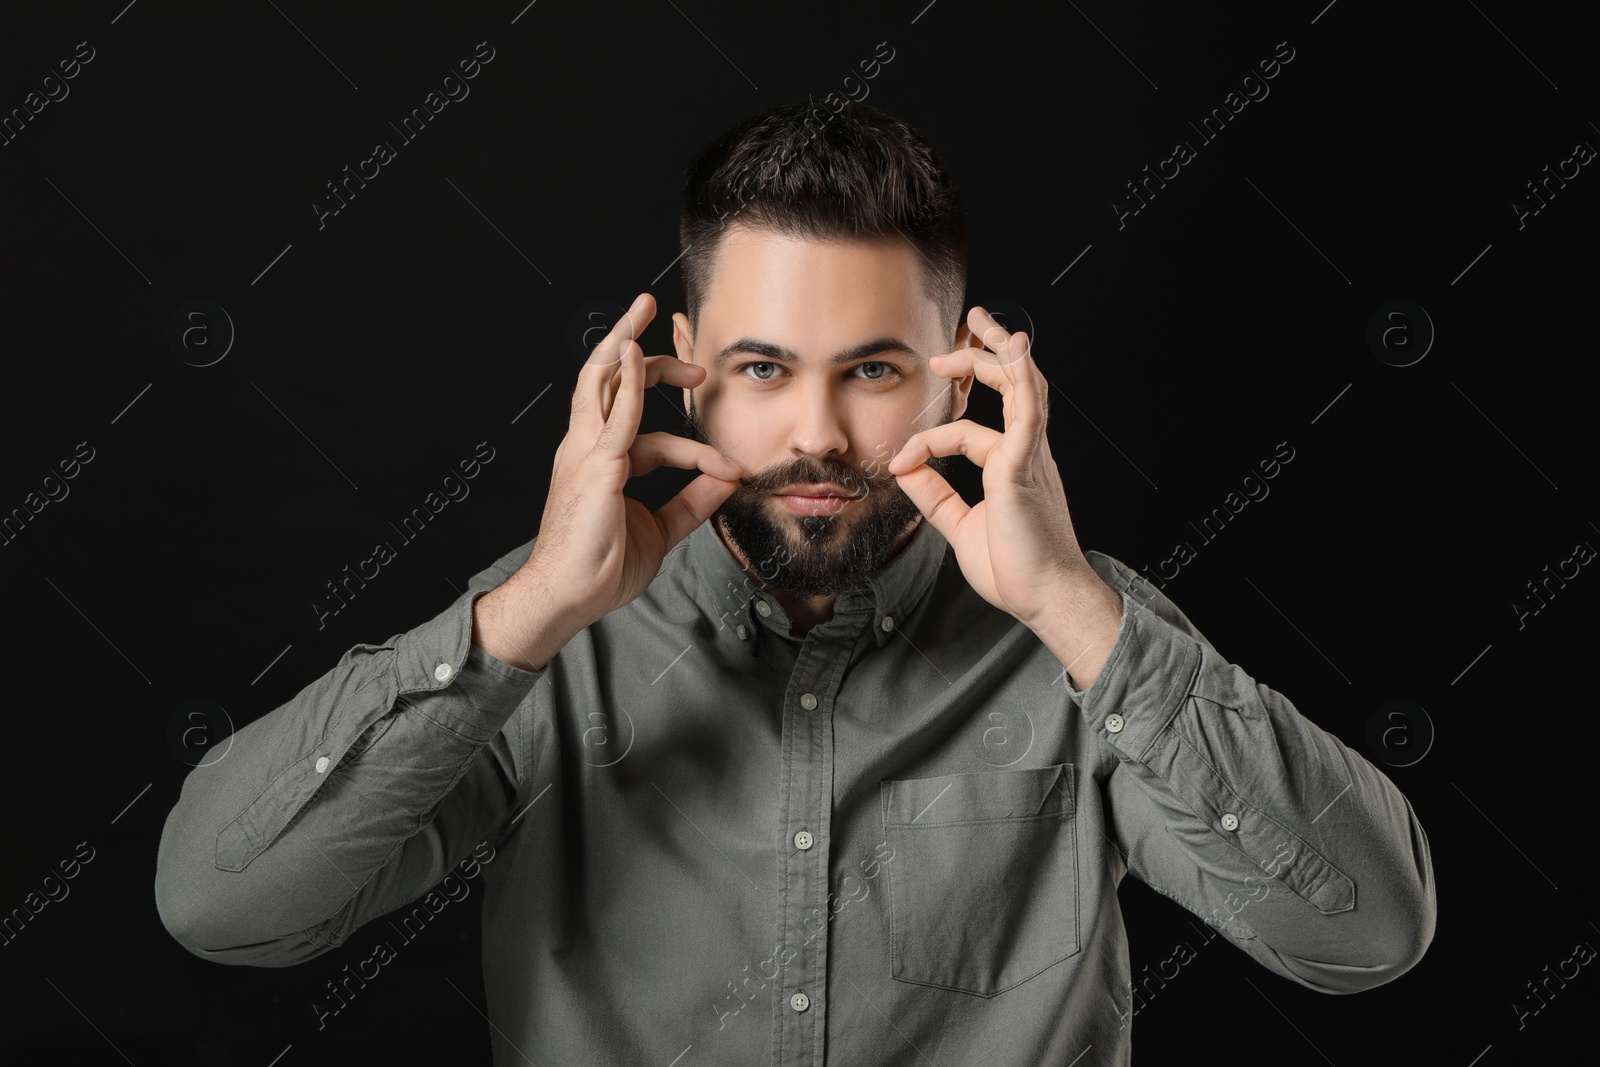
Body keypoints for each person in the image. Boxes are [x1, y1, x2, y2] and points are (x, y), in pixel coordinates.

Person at [154, 100, 1436, 1065]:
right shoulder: (546, 634)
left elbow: (1365, 934)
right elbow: (223, 905)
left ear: (958, 368)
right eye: (764, 368)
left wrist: (1072, 611)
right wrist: (532, 610)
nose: (816, 432)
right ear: (684, 365)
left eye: (874, 370)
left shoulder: (1085, 639)